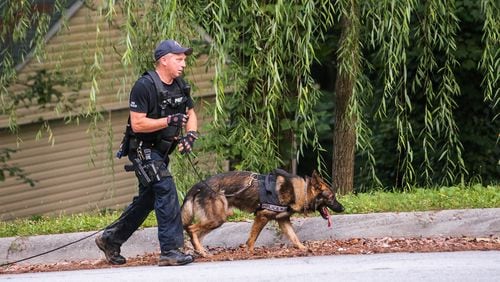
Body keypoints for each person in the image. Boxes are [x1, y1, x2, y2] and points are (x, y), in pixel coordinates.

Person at [95, 39, 198, 266]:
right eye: (179, 59)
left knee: (148, 199)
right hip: (142, 150)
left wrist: (190, 135)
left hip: (161, 152)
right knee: (165, 187)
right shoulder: (144, 86)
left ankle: (110, 239)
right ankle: (171, 251)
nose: (183, 64)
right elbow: (138, 124)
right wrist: (169, 120)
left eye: (184, 60)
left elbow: (190, 113)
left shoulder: (180, 85)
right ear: (164, 60)